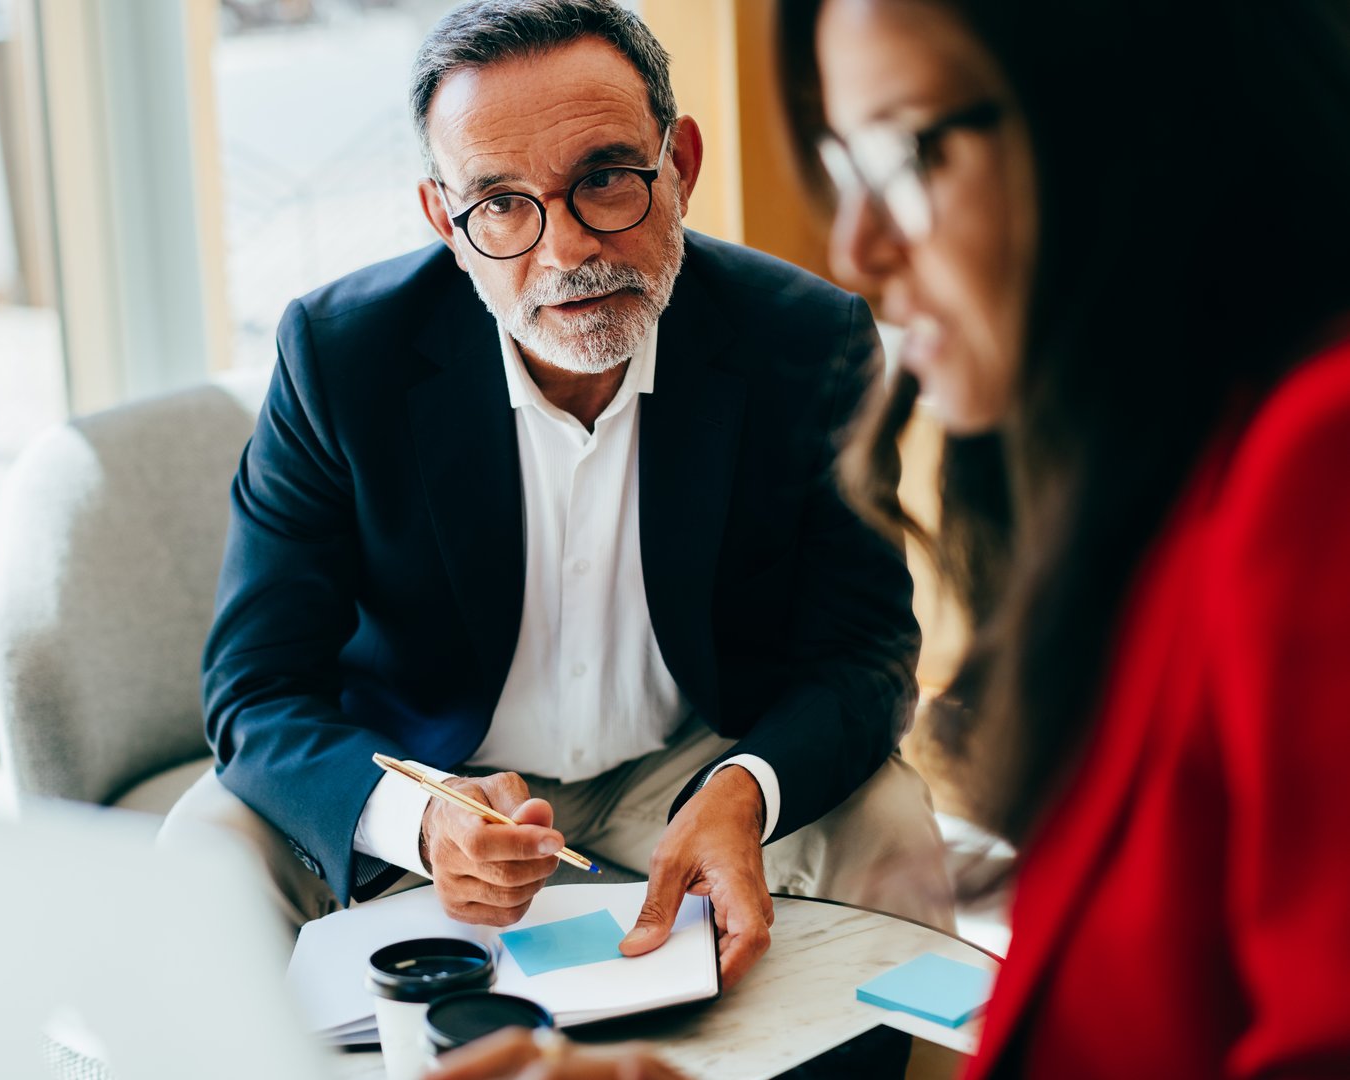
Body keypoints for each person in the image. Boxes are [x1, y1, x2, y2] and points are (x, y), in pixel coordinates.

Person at [433, 0, 1350, 1076]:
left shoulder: (1313, 465)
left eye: (907, 152)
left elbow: (860, 651)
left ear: (1135, 118)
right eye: (843, 160)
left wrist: (738, 782)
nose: (856, 245)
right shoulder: (1140, 503)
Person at [162, 0, 956, 994]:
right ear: (442, 222)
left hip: (685, 757)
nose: (566, 250)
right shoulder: (337, 356)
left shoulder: (807, 344)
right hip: (427, 764)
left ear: (681, 166)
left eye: (606, 180)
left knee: (894, 837)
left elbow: (864, 653)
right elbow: (255, 688)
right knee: (202, 856)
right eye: (499, 203)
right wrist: (420, 818)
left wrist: (743, 789)